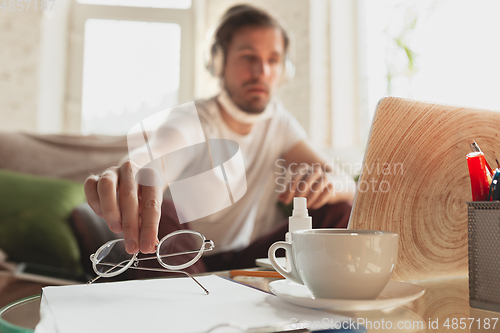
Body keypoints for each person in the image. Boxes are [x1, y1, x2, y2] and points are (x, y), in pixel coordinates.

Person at [83, 4, 355, 274]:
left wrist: (331, 183)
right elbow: (156, 157)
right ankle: (193, 297)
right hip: (184, 254)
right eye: (248, 57)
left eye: (273, 59)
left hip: (246, 258)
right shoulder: (194, 119)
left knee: (341, 210)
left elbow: (346, 183)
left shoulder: (279, 122)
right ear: (218, 62)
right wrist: (134, 172)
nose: (261, 71)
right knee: (163, 212)